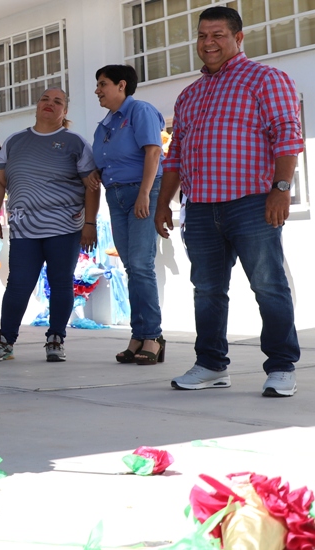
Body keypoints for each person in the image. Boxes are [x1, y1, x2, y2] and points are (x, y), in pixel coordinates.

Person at [155, 6, 303, 396]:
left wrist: (281, 189)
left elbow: (288, 137)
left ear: (238, 38)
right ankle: (211, 364)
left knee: (268, 285)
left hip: (253, 203)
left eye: (218, 35)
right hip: (201, 208)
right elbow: (176, 155)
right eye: (202, 36)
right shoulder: (189, 95)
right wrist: (162, 203)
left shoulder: (266, 79)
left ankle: (282, 366)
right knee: (206, 290)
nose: (208, 43)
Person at [0, 88, 99, 363]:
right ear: (37, 106)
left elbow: (92, 186)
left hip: (65, 228)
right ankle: (5, 341)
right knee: (18, 284)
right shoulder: (14, 141)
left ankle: (56, 339)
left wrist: (90, 224)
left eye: (57, 101)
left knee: (61, 284)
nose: (50, 104)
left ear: (65, 111)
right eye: (45, 99)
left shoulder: (75, 143)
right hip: (24, 229)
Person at [90, 64, 166, 365]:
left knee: (141, 264)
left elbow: (153, 152)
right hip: (116, 195)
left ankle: (153, 336)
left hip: (141, 192)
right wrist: (97, 172)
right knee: (131, 268)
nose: (97, 90)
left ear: (122, 85)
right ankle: (139, 335)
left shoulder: (140, 111)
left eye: (103, 84)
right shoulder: (105, 124)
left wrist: (145, 194)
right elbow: (105, 158)